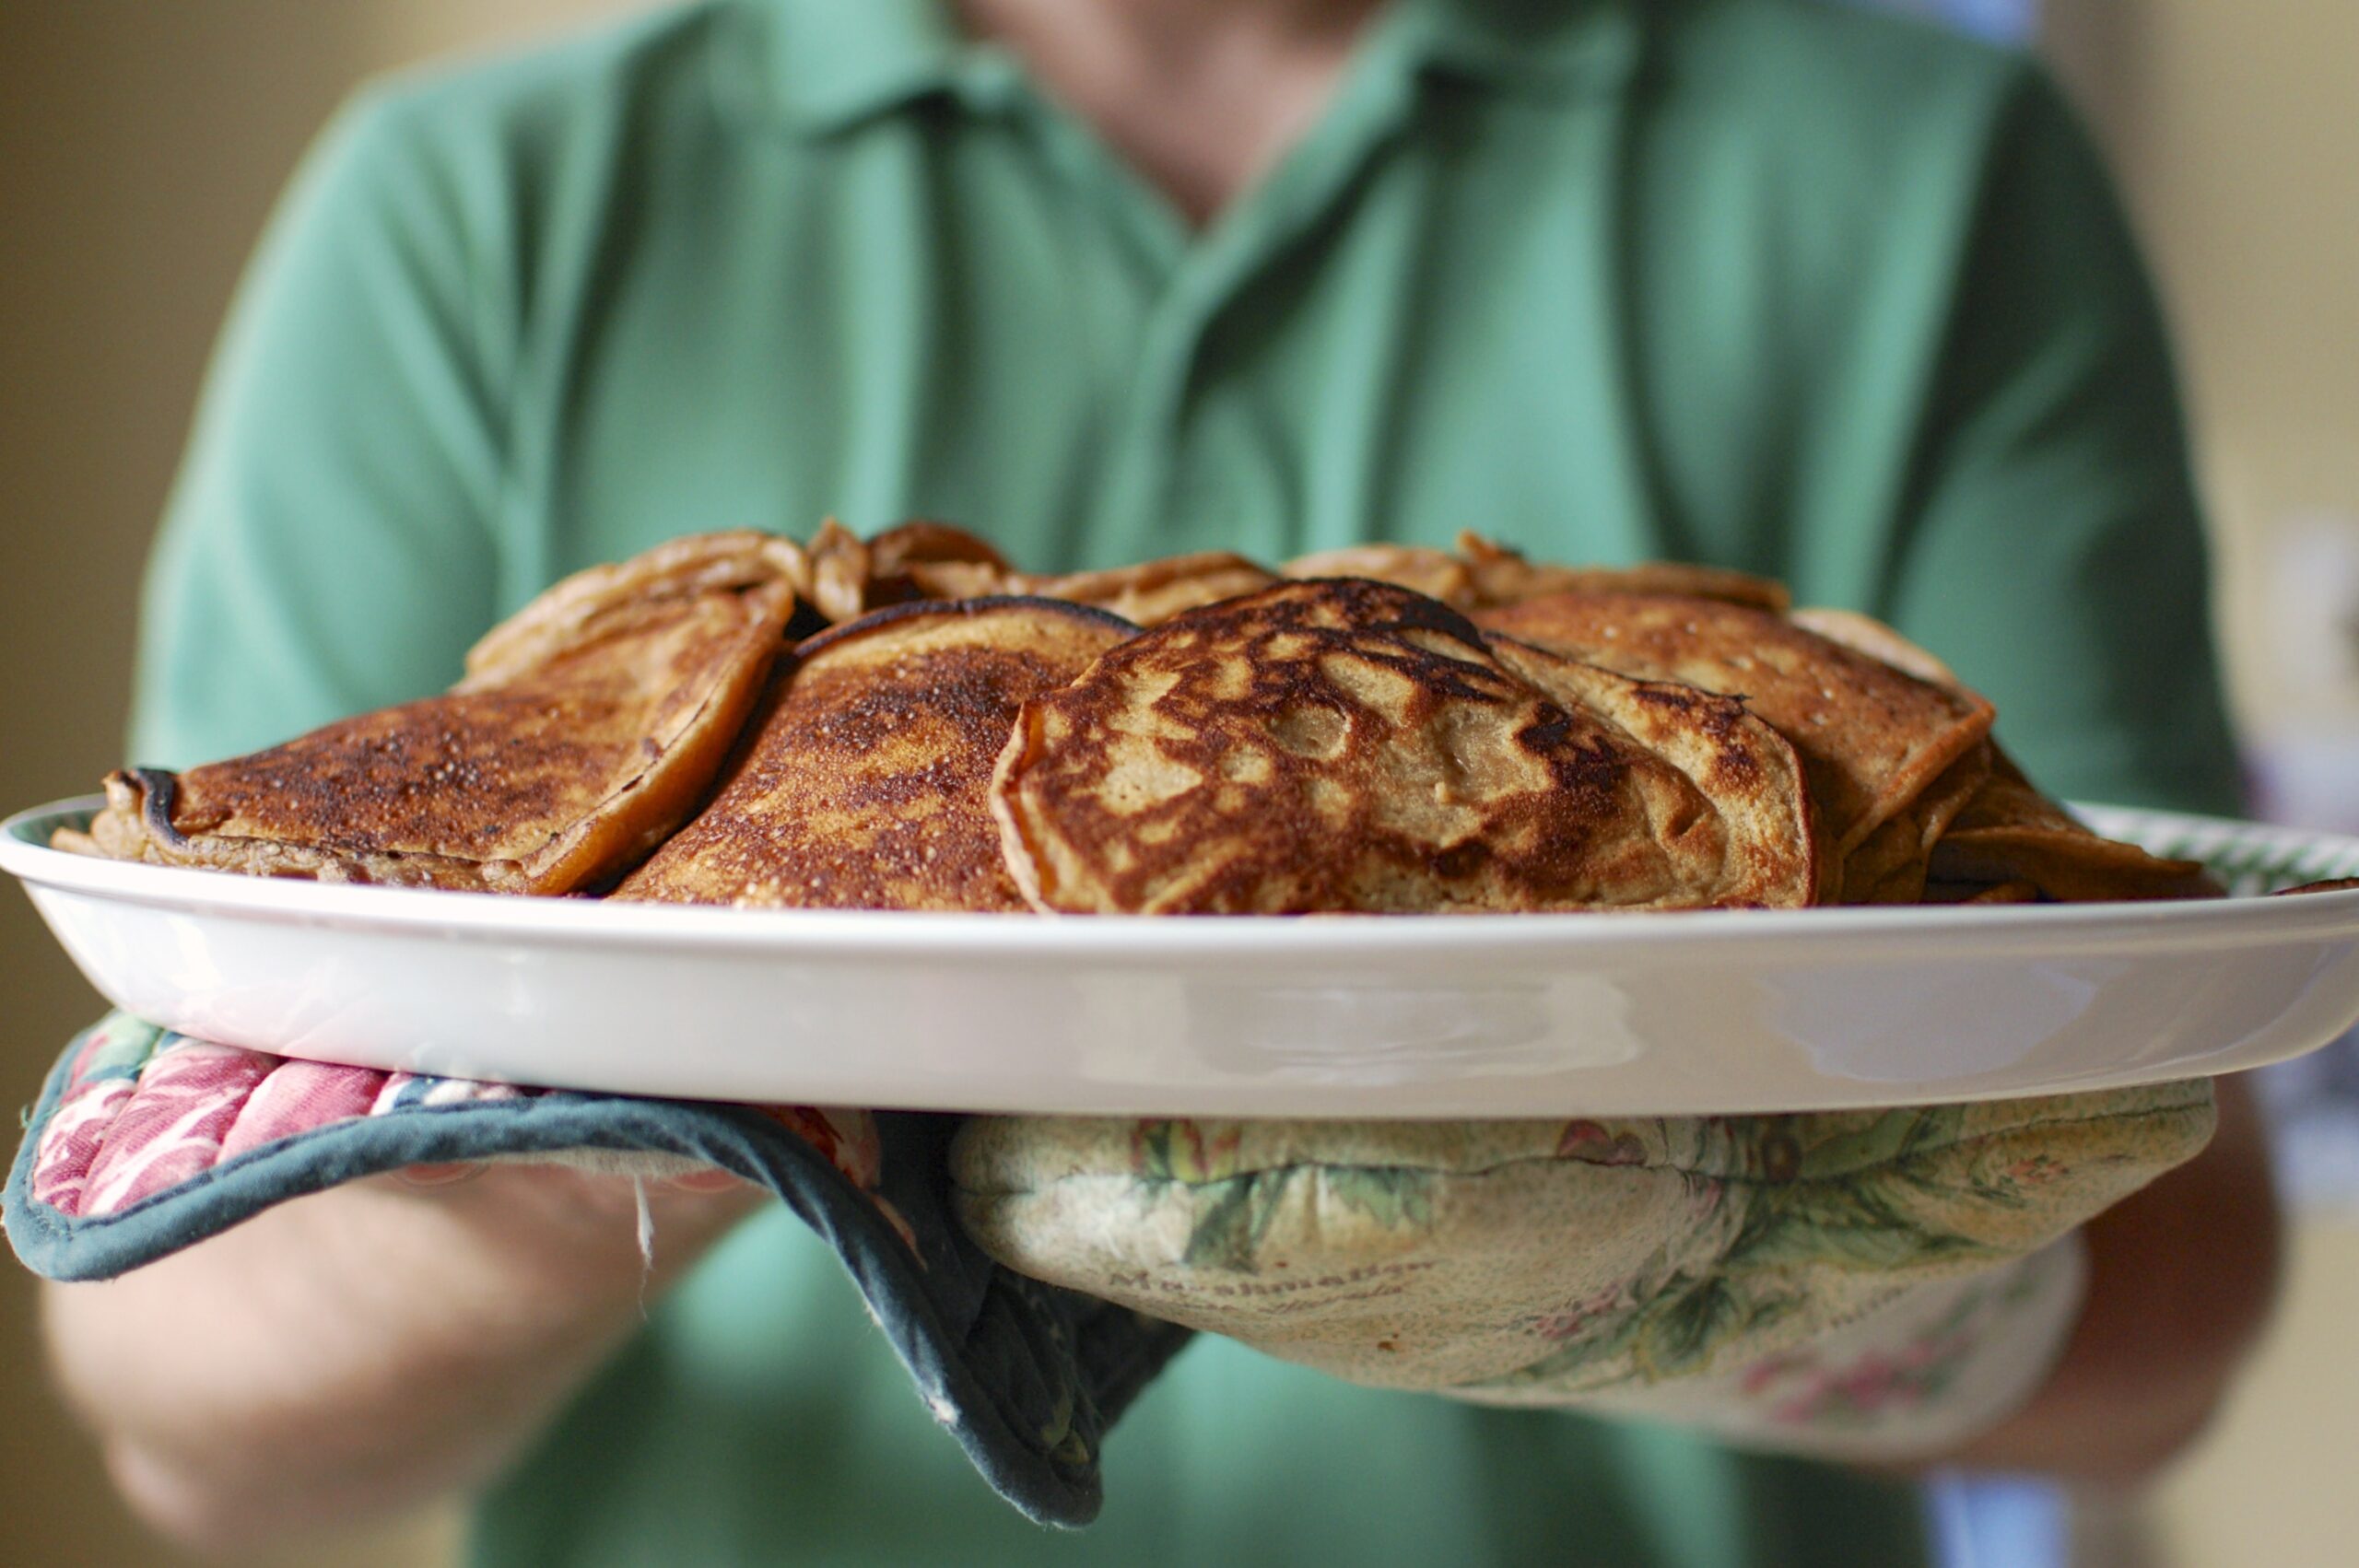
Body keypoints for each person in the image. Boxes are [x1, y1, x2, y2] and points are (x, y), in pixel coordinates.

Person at [42, 1, 2279, 1563]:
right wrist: (698, 1062)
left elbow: (2171, 1279)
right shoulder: (472, 218)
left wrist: (1597, 1242)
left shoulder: (1921, 177)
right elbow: (189, 1410)